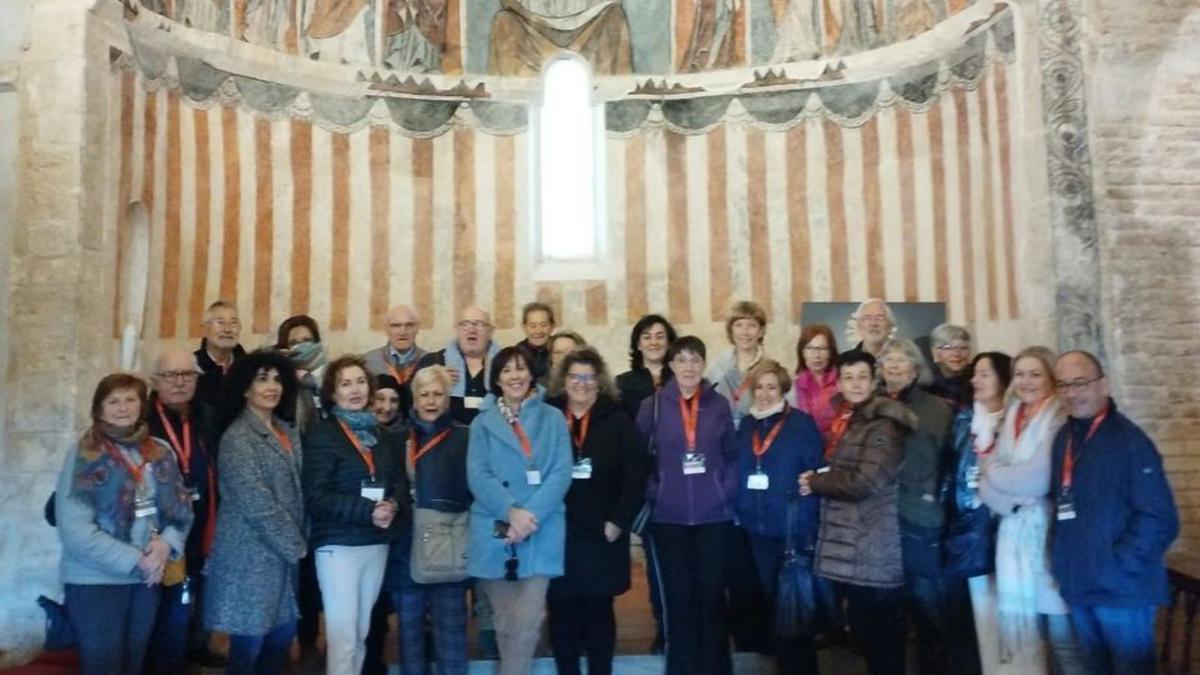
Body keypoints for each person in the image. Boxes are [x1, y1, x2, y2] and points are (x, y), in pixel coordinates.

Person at [1050, 351, 1179, 675]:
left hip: (1122, 591)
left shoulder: (1130, 441)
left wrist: (1116, 567)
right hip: (1080, 586)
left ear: (1103, 384)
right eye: (1063, 384)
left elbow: (1160, 518)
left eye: (1080, 383)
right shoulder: (1064, 439)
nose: (1071, 392)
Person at [57, 373, 194, 675]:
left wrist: (165, 546)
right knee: (103, 665)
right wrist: (138, 560)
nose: (122, 407)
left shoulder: (160, 450)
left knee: (135, 663)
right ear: (99, 409)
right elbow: (74, 530)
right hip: (96, 581)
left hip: (147, 579)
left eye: (130, 399)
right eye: (113, 401)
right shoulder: (85, 455)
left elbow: (181, 510)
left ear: (141, 405)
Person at [799, 349, 912, 675]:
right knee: (868, 639)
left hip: (873, 547)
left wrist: (817, 482)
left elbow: (866, 481)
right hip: (855, 545)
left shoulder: (883, 425)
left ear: (875, 379)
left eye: (862, 376)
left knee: (884, 645)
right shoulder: (850, 420)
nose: (856, 384)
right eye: (848, 377)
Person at [466, 346, 573, 675]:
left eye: (521, 369)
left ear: (531, 375)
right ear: (497, 379)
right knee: (504, 624)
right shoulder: (482, 423)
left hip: (541, 528)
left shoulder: (553, 418)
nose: (515, 376)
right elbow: (477, 475)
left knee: (528, 622)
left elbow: (560, 472)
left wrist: (528, 517)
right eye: (507, 370)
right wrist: (511, 511)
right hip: (496, 529)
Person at [977, 346, 1081, 674]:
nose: (1026, 381)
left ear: (1051, 377)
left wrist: (994, 473)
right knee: (1038, 645)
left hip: (1050, 542)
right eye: (1020, 374)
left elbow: (1036, 480)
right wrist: (1008, 499)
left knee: (1064, 642)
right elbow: (983, 484)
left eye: (1035, 374)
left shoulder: (1060, 418)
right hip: (1015, 535)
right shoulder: (1012, 417)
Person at [878, 337, 979, 674]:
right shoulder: (873, 405)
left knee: (929, 614)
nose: (893, 365)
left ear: (917, 368)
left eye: (901, 359)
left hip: (920, 519)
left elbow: (936, 462)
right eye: (887, 359)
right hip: (881, 522)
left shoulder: (936, 408)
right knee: (889, 615)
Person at [638, 335, 737, 675]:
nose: (689, 367)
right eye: (681, 360)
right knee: (678, 603)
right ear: (671, 365)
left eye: (695, 359)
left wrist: (724, 492)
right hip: (669, 520)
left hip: (714, 519)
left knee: (711, 601)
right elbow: (639, 460)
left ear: (703, 364)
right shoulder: (652, 406)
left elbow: (732, 455)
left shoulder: (719, 405)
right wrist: (656, 492)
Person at [545, 347, 647, 675]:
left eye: (589, 377)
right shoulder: (549, 417)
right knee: (562, 614)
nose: (582, 384)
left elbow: (636, 475)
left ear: (599, 381)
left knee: (599, 613)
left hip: (602, 533)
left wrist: (619, 522)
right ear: (563, 380)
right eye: (575, 376)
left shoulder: (616, 419)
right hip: (558, 532)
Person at [302, 355, 405, 675]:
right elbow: (316, 496)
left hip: (375, 543)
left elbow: (399, 481)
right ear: (333, 393)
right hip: (338, 546)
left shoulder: (383, 436)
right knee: (343, 637)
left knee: (361, 633)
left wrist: (393, 506)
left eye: (360, 382)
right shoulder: (322, 435)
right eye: (345, 384)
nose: (355, 389)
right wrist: (368, 511)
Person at [204, 350, 305, 675]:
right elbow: (257, 505)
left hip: (282, 560)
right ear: (245, 388)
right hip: (251, 560)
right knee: (247, 654)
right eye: (262, 379)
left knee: (277, 652)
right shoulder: (237, 438)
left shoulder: (286, 431)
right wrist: (297, 545)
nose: (271, 386)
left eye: (277, 379)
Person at [734, 359, 824, 674]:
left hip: (791, 528)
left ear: (783, 389)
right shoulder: (746, 426)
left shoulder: (801, 424)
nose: (764, 393)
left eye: (771, 386)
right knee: (773, 600)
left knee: (795, 605)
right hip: (755, 530)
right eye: (759, 387)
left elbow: (816, 473)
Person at [386, 365, 471, 675]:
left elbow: (472, 491)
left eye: (438, 394)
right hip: (405, 553)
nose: (431, 401)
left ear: (448, 399)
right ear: (414, 398)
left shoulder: (464, 437)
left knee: (452, 642)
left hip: (449, 550)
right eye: (424, 394)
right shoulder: (395, 439)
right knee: (409, 644)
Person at [145, 349, 220, 674]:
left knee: (198, 592)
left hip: (203, 521)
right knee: (168, 609)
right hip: (162, 531)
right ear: (155, 382)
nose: (179, 382)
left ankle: (196, 649)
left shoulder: (206, 415)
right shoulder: (143, 420)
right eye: (170, 376)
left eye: (187, 375)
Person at [945, 352, 1012, 675]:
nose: (975, 380)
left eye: (984, 374)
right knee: (973, 615)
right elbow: (951, 472)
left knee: (1008, 614)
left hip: (1007, 529)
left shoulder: (1018, 421)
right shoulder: (963, 422)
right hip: (968, 528)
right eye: (974, 374)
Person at [613, 313, 677, 652]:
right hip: (646, 483)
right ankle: (662, 627)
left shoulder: (681, 376)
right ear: (638, 343)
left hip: (683, 482)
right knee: (655, 561)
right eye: (647, 336)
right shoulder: (624, 383)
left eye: (660, 335)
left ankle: (684, 626)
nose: (654, 341)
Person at [415, 305, 501, 424]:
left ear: (490, 331)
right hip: (445, 438)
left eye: (479, 324)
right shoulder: (433, 362)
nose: (472, 330)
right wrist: (437, 379)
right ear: (456, 329)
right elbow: (414, 402)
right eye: (465, 324)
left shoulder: (505, 364)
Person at [707, 300, 769, 428]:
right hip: (722, 434)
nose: (745, 332)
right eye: (738, 325)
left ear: (761, 331)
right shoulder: (718, 365)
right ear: (731, 331)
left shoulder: (769, 367)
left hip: (757, 434)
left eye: (752, 325)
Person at [274, 314, 328, 433]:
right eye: (293, 343)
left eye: (306, 340)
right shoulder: (280, 379)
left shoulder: (332, 375)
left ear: (316, 341)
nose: (301, 346)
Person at [791, 324, 840, 439]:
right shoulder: (793, 388)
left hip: (840, 448)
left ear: (831, 352)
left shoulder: (843, 382)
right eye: (810, 348)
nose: (816, 355)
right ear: (802, 352)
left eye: (822, 349)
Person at [193, 300, 246, 410]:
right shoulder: (191, 367)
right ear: (205, 329)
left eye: (233, 323)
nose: (227, 329)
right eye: (220, 322)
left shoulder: (250, 367)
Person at [363, 304, 428, 386]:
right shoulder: (368, 362)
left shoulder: (430, 361)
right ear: (386, 329)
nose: (403, 332)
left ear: (417, 328)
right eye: (396, 326)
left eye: (409, 325)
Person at [928, 324, 974, 404]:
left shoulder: (977, 379)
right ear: (934, 352)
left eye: (963, 348)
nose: (956, 354)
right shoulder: (927, 383)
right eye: (948, 348)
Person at [517, 301, 557, 382]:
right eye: (533, 326)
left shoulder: (561, 349)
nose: (538, 331)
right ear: (524, 327)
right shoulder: (517, 353)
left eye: (544, 325)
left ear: (552, 326)